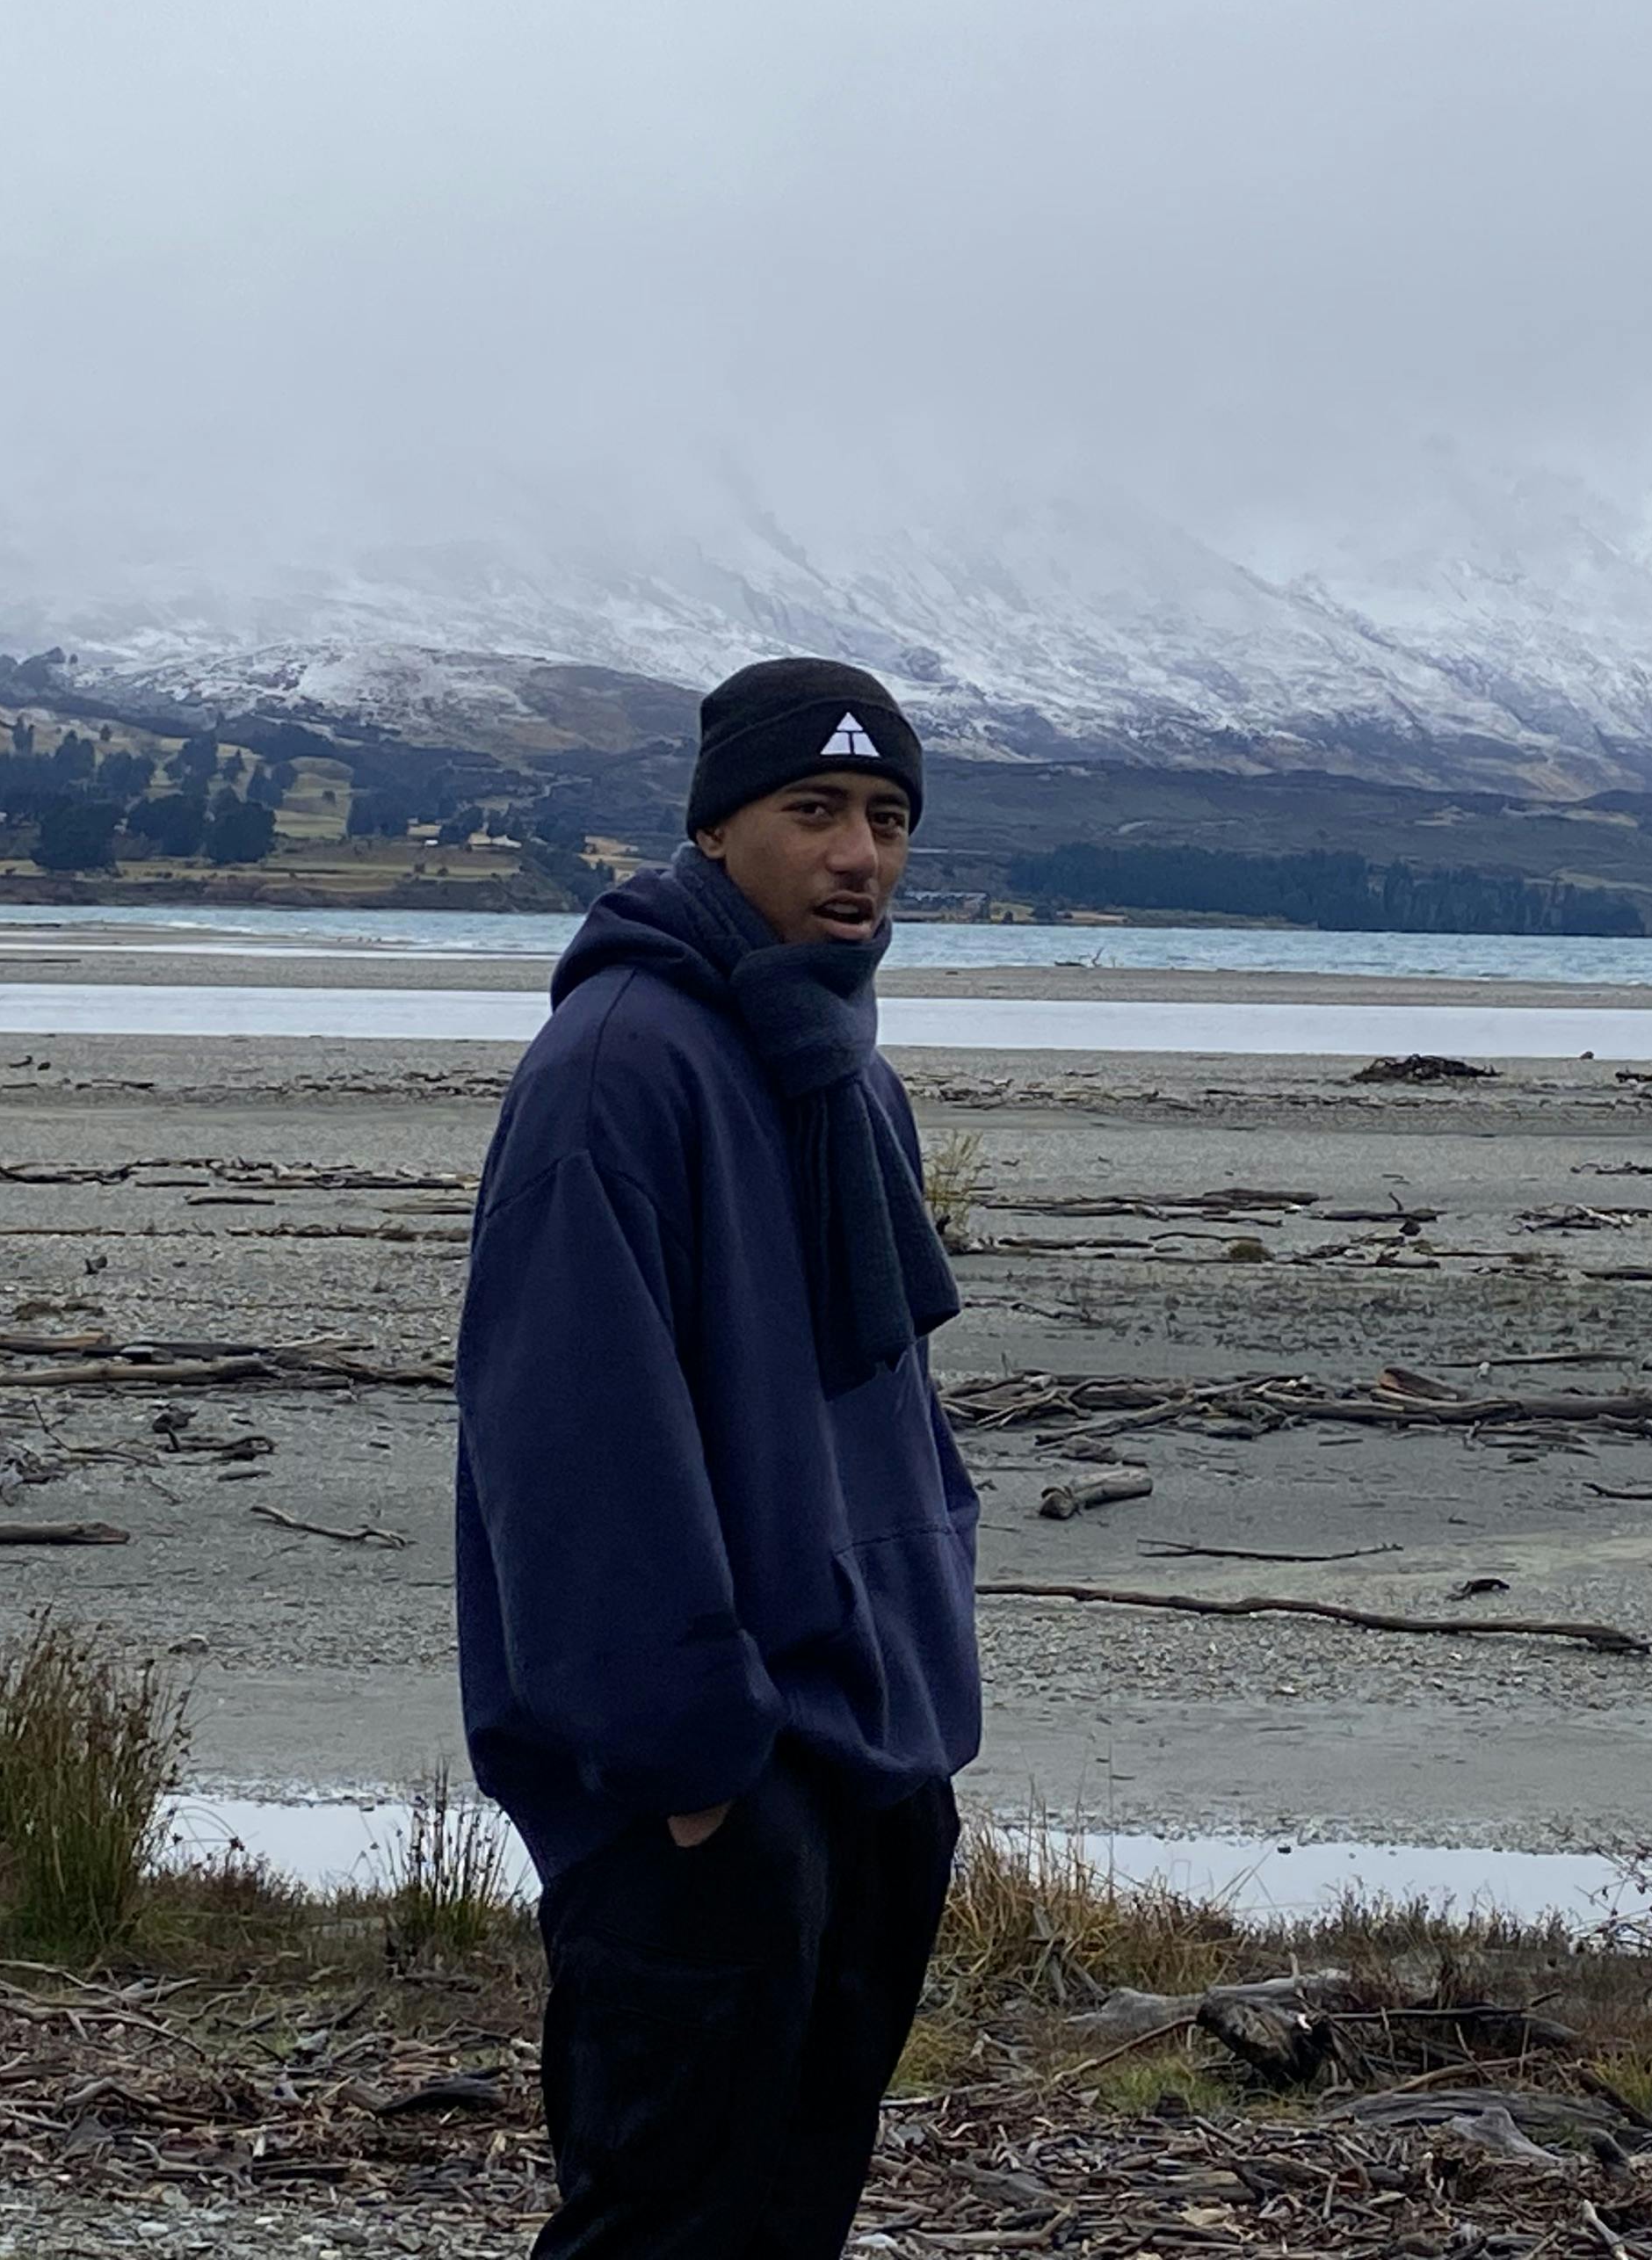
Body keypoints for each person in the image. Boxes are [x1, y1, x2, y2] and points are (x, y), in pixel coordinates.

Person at [453, 657, 980, 2258]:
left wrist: (922, 1689)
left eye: (885, 818)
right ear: (717, 830)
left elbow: (882, 1410)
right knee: (664, 2227)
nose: (857, 856)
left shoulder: (835, 1061)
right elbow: (570, 1437)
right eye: (811, 811)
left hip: (866, 1749)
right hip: (702, 1780)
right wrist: (690, 1771)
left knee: (788, 2214)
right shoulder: (619, 1065)